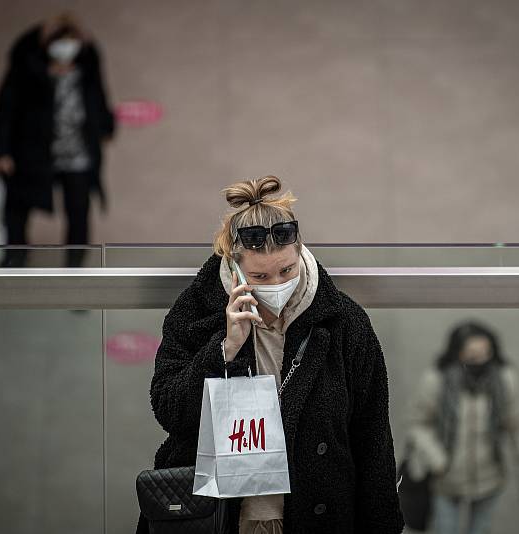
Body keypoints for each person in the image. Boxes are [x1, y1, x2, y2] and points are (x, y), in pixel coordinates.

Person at [137, 176, 403, 533]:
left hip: (313, 515)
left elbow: (371, 436)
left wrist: (382, 524)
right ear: (234, 267)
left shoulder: (344, 322)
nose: (277, 284)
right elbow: (169, 410)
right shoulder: (197, 313)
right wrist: (225, 349)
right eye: (260, 276)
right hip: (222, 517)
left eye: (287, 271)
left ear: (300, 252)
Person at [0, 12, 115, 267]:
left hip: (77, 155)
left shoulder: (87, 68)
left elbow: (99, 100)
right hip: (33, 152)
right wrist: (1, 150)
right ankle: (14, 262)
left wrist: (104, 128)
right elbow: (6, 109)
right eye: (61, 41)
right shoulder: (28, 69)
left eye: (72, 42)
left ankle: (75, 270)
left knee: (79, 213)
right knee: (17, 209)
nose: (66, 48)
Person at [406, 321, 519, 534]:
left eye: (486, 354)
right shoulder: (437, 380)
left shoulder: (504, 380)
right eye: (472, 355)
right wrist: (438, 460)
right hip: (447, 480)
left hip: (489, 477)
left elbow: (517, 429)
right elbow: (417, 424)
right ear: (457, 353)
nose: (481, 361)